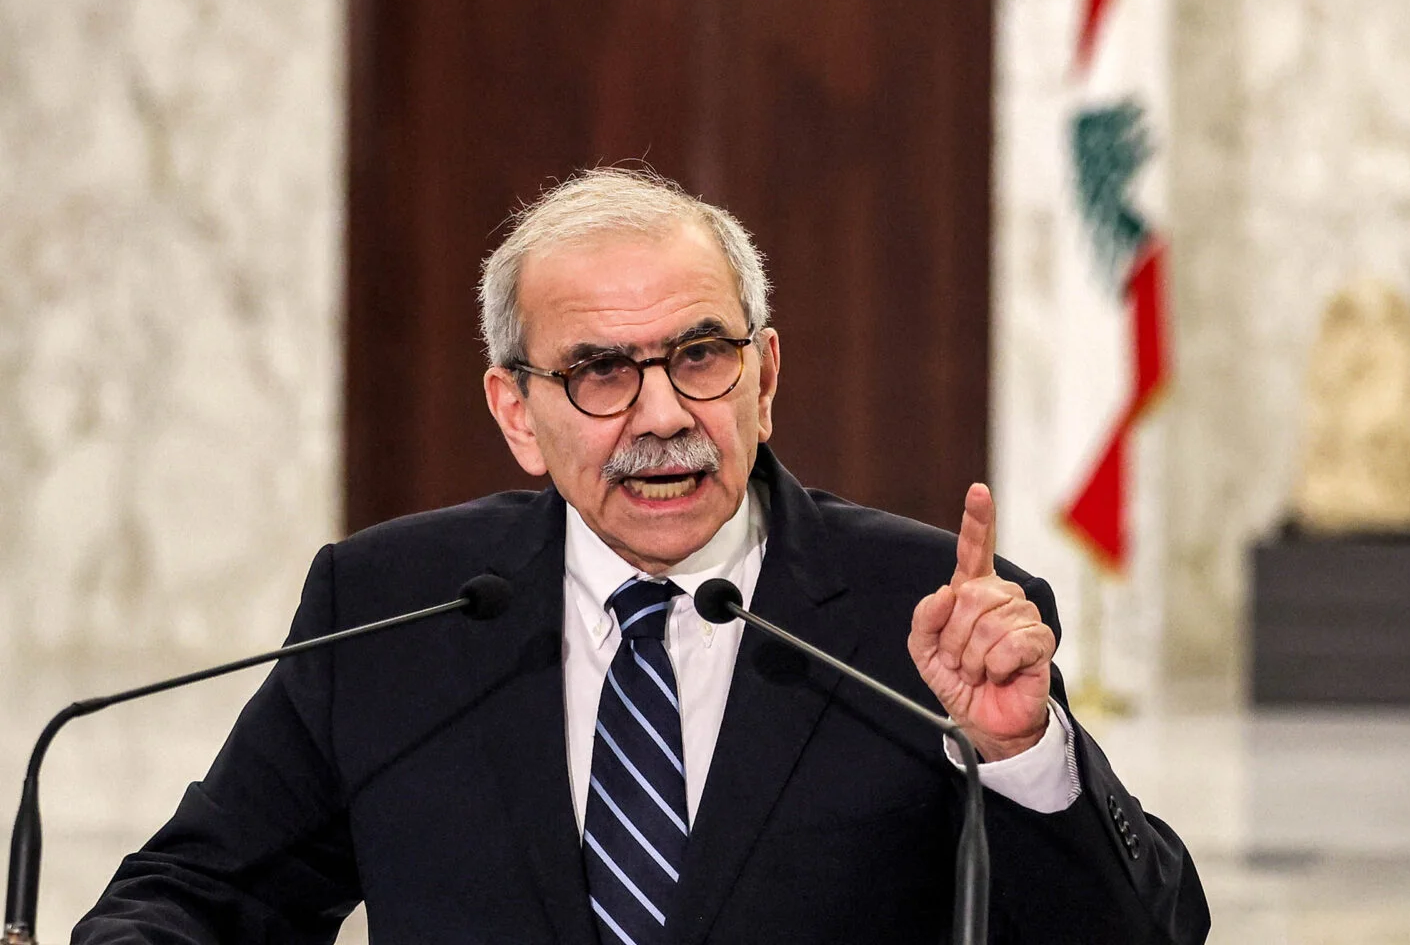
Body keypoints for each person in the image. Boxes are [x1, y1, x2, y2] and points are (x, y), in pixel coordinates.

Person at [74, 168, 1209, 944]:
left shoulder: (923, 614)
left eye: (701, 355)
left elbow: (1146, 934)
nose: (663, 415)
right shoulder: (392, 609)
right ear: (517, 412)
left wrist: (1021, 757)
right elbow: (199, 896)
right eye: (601, 372)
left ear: (765, 377)